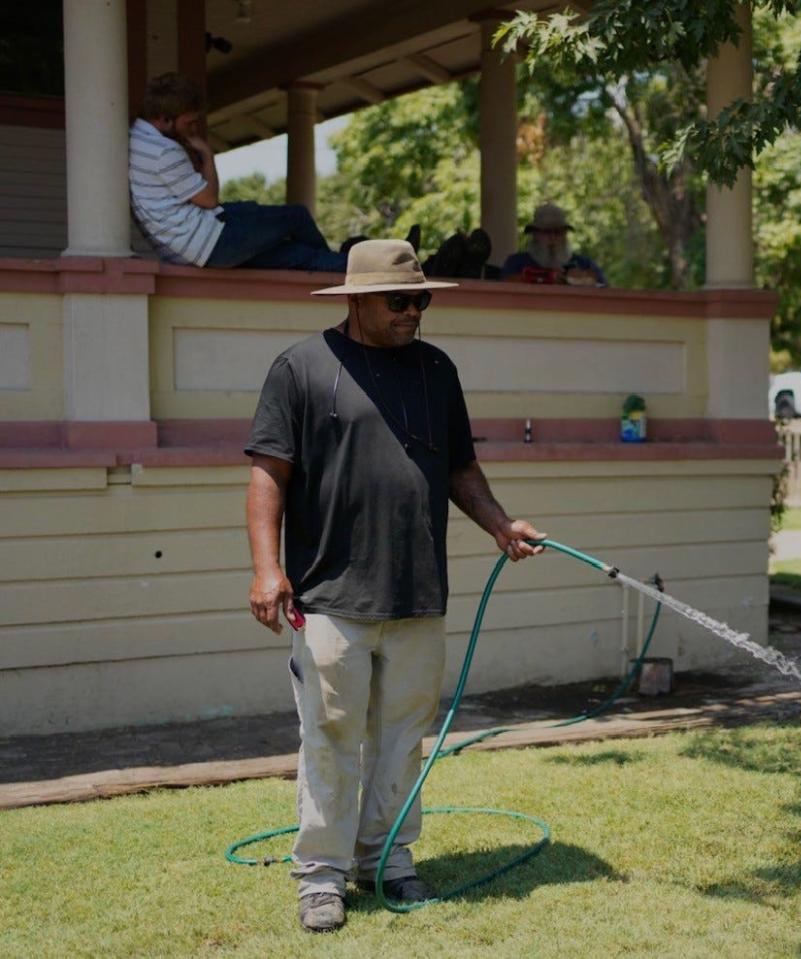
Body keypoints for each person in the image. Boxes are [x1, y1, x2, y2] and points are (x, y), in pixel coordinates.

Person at [244, 239, 545, 933]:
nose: (415, 311)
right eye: (399, 300)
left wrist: (499, 524)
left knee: (402, 737)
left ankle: (389, 859)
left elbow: (460, 468)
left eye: (422, 299)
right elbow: (268, 475)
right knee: (329, 735)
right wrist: (267, 566)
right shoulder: (301, 368)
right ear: (357, 300)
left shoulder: (437, 371)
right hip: (328, 595)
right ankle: (321, 875)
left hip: (417, 591)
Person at [129, 72, 348, 272]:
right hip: (213, 243)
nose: (194, 130)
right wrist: (207, 155)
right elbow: (209, 200)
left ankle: (339, 265)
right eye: (190, 123)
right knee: (296, 216)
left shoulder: (135, 138)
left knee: (297, 254)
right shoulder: (165, 152)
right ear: (165, 119)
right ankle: (337, 274)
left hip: (189, 249)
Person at [500, 203, 607, 286]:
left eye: (558, 232)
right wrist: (547, 278)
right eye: (547, 232)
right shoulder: (517, 263)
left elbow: (604, 289)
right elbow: (504, 286)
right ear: (535, 234)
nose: (553, 237)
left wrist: (582, 279)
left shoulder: (584, 264)